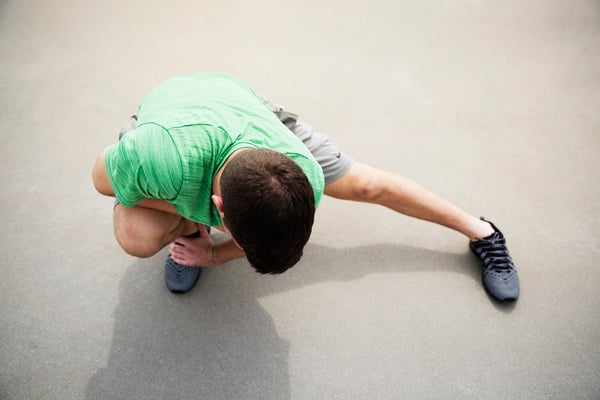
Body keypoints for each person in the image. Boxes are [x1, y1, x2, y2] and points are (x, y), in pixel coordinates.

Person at [92, 72, 520, 301]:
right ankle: (187, 233)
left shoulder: (304, 175)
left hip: (239, 107)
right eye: (224, 230)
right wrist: (195, 229)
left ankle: (483, 231)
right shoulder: (157, 156)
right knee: (136, 234)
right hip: (175, 111)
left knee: (366, 185)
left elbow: (271, 231)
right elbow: (99, 180)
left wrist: (217, 254)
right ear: (216, 209)